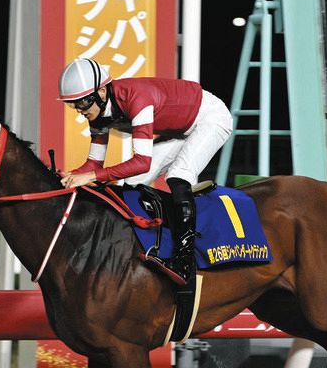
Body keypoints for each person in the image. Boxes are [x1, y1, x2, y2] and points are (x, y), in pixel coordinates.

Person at [57, 56, 233, 287]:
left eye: (82, 103)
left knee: (179, 175)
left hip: (210, 118)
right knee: (133, 182)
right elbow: (93, 166)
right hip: (182, 127)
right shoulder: (98, 112)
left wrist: (91, 176)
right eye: (74, 104)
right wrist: (67, 175)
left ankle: (184, 259)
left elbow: (142, 161)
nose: (79, 110)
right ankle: (148, 243)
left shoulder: (136, 98)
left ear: (101, 91)